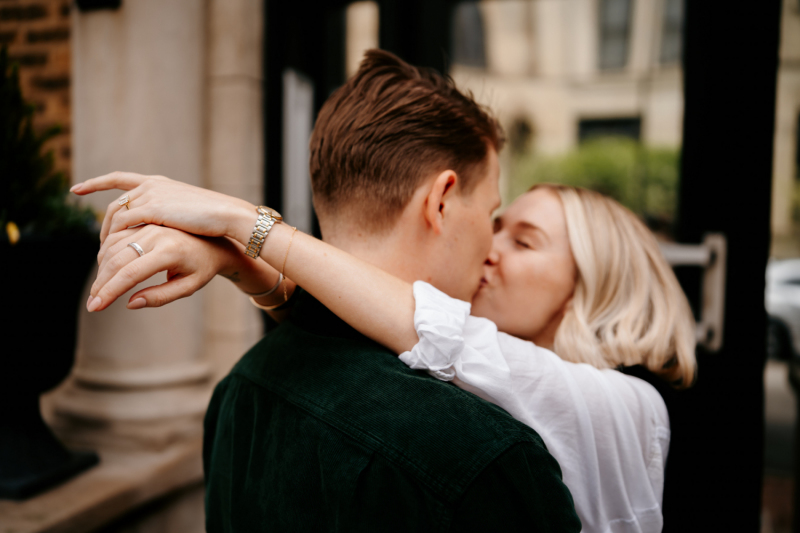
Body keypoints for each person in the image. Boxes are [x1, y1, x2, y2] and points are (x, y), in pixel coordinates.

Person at [73, 50, 582, 532]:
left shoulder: (238, 389)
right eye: (491, 215)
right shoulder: (486, 454)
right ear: (442, 200)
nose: (492, 246)